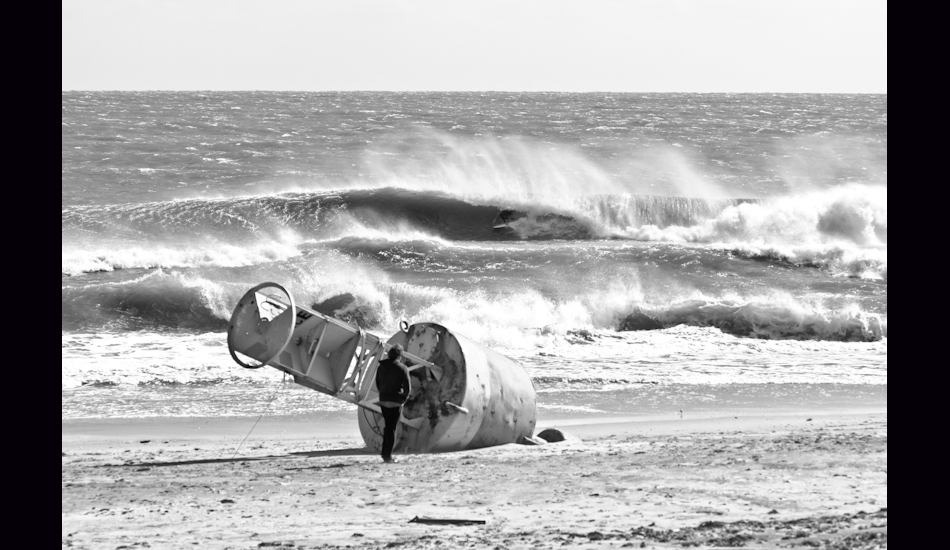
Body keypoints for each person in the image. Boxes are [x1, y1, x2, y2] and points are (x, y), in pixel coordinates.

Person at [375, 343, 411, 463]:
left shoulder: (381, 367)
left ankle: (385, 453)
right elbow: (408, 388)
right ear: (400, 356)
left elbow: (378, 384)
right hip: (395, 401)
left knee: (388, 427)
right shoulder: (402, 368)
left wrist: (383, 395)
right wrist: (403, 400)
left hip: (384, 400)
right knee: (392, 429)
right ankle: (387, 456)